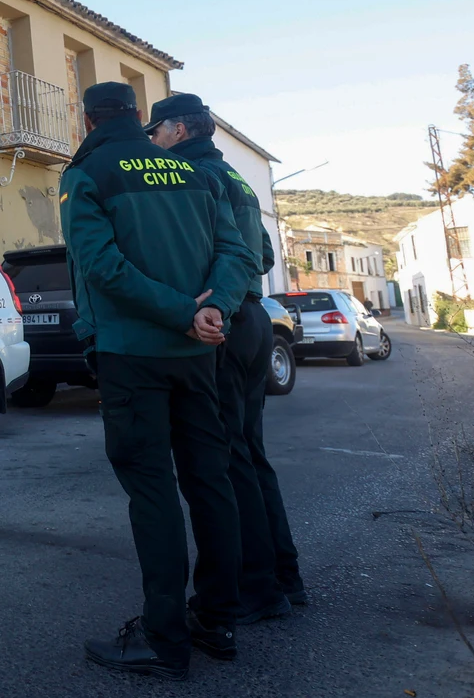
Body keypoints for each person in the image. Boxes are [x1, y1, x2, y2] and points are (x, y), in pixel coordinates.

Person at [59, 81, 256, 679]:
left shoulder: (87, 173)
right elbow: (238, 253)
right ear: (141, 116)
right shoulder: (190, 173)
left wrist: (178, 312)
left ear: (87, 116)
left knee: (152, 491)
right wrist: (213, 307)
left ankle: (164, 638)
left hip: (132, 354)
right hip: (200, 354)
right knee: (210, 479)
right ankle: (218, 619)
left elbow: (101, 266)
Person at [147, 93, 307, 622]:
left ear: (176, 131)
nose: (152, 142)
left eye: (156, 133)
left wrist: (205, 299)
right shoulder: (236, 178)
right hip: (256, 318)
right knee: (249, 453)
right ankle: (285, 577)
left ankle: (257, 590)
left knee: (225, 459)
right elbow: (261, 255)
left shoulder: (188, 177)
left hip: (225, 323)